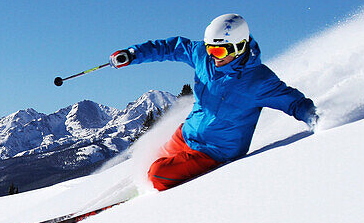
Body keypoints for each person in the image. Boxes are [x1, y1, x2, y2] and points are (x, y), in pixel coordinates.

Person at [110, 14, 318, 191]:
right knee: (150, 161)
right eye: (210, 48)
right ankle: (138, 187)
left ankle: (152, 190)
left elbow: (294, 102)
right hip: (187, 134)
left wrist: (316, 118)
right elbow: (170, 48)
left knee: (157, 175)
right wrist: (133, 54)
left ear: (239, 47)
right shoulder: (204, 56)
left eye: (219, 51)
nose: (212, 56)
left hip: (214, 152)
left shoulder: (258, 81)